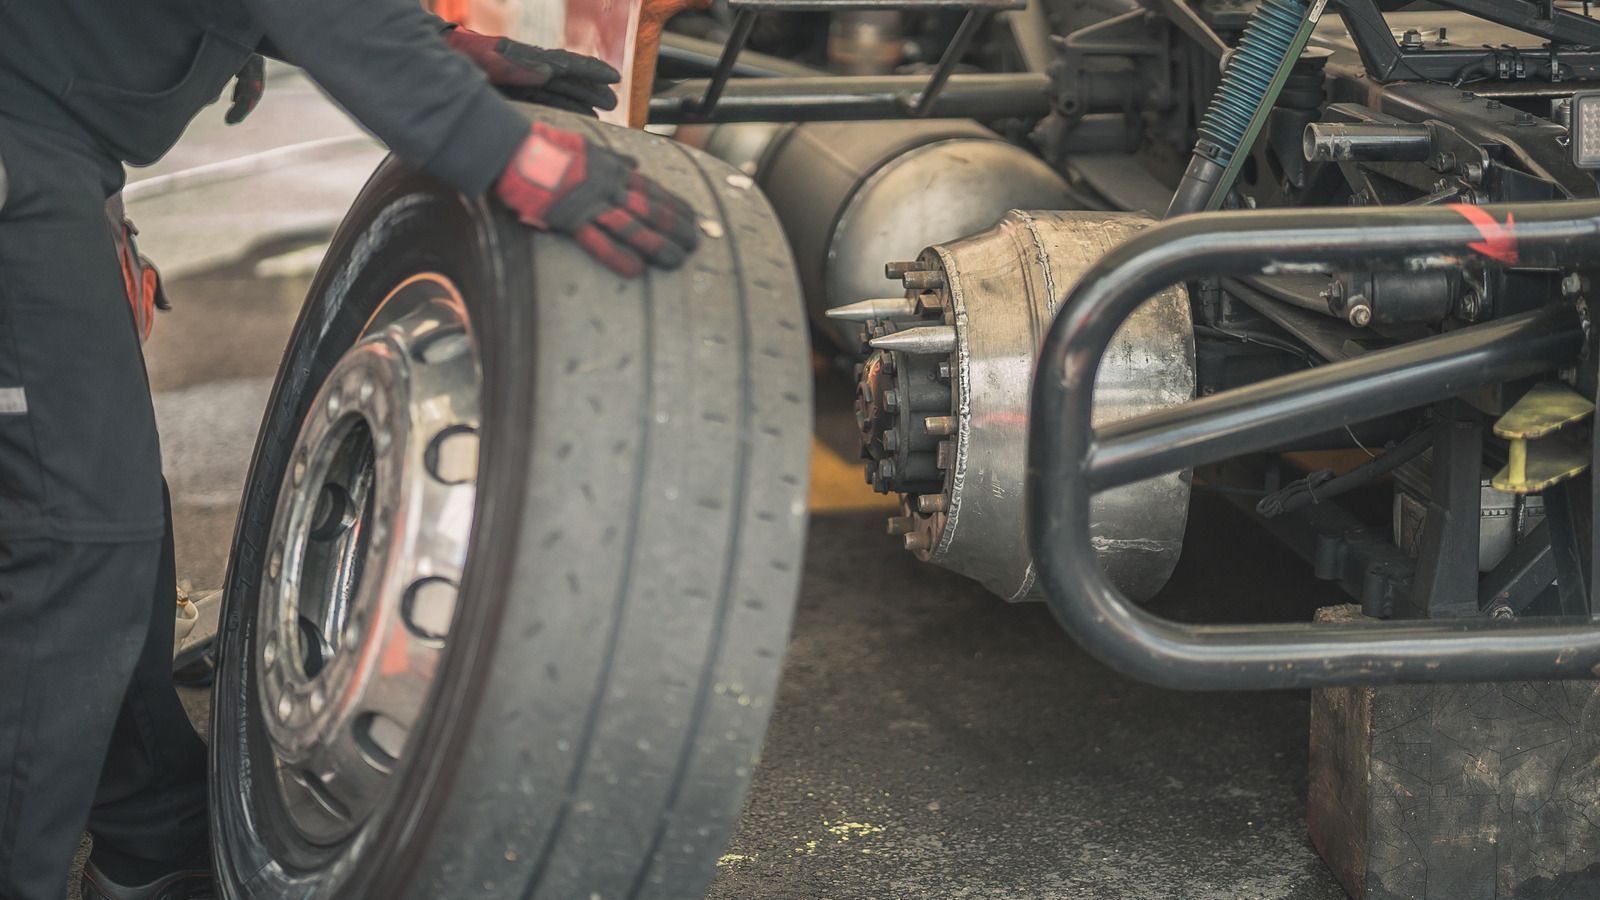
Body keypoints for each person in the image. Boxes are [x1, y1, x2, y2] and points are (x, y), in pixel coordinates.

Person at [0, 3, 700, 898]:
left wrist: (436, 47)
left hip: (52, 136)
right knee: (75, 541)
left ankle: (152, 842)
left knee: (110, 524)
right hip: (19, 137)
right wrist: (513, 158)